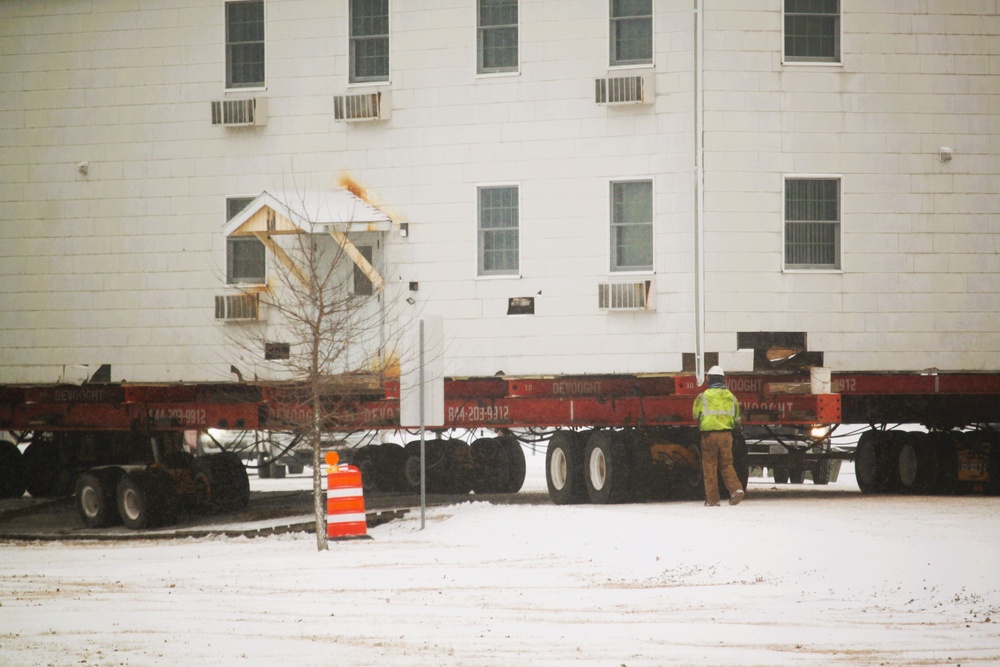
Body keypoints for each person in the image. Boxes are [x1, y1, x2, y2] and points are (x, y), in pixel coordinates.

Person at [692, 366, 745, 506]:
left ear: (708, 379)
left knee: (710, 466)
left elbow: (695, 415)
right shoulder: (731, 397)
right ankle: (736, 489)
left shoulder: (703, 397)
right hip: (727, 435)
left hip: (709, 436)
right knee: (727, 464)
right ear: (723, 380)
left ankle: (712, 500)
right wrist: (737, 433)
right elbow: (737, 419)